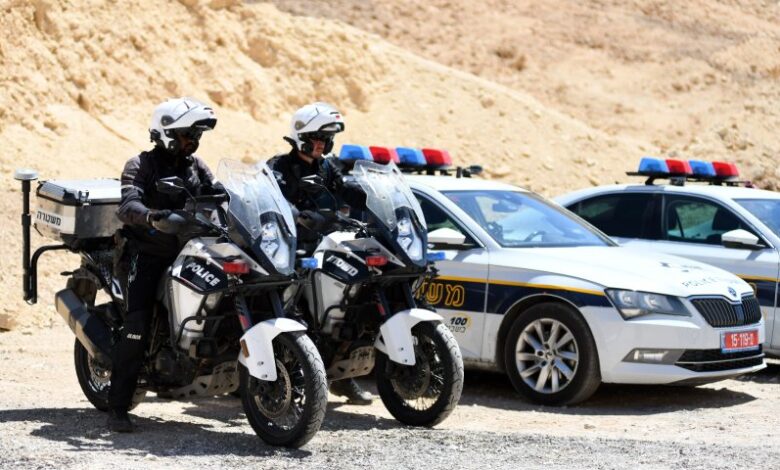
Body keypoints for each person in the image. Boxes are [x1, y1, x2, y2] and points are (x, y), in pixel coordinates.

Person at [109, 97, 220, 432]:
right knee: (138, 324)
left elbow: (217, 193)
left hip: (190, 250)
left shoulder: (197, 166)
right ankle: (118, 406)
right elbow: (127, 204)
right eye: (188, 134)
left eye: (197, 135)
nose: (193, 141)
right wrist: (151, 216)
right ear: (167, 133)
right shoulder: (140, 165)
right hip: (146, 253)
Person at [268, 102, 373, 405]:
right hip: (290, 251)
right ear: (300, 137)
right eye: (316, 138)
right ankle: (290, 380)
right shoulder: (279, 167)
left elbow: (347, 191)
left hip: (326, 247)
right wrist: (298, 215)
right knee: (297, 315)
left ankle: (341, 375)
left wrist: (373, 198)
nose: (321, 145)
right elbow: (273, 199)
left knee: (347, 304)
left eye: (325, 139)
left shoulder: (327, 168)